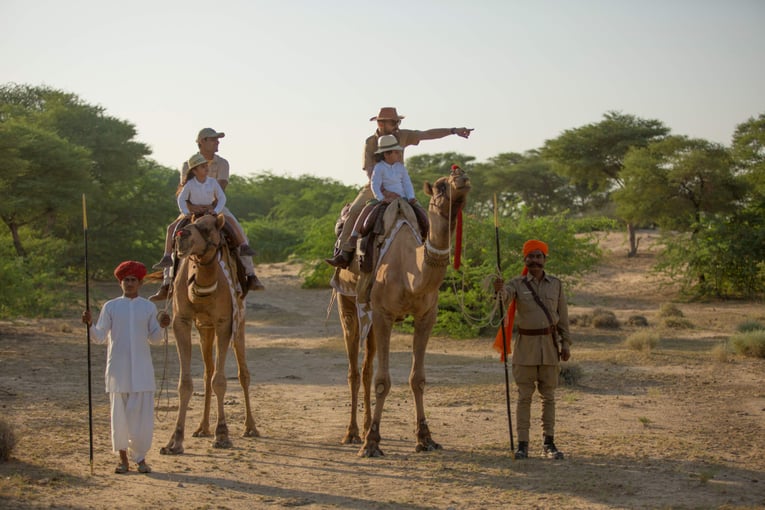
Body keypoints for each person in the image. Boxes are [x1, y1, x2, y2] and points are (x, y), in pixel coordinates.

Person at [325, 107, 473, 268]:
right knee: (355, 210)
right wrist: (382, 192)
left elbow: (426, 134)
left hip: (400, 187)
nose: (397, 125)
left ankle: (430, 250)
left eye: (398, 121)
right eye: (394, 122)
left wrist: (453, 131)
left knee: (422, 213)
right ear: (381, 124)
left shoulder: (402, 135)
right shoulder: (370, 142)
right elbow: (369, 170)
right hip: (375, 186)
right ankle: (344, 251)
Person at [150, 128, 263, 301]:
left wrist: (212, 209)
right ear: (201, 142)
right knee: (175, 233)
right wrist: (190, 208)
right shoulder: (188, 164)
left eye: (217, 140)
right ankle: (166, 283)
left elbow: (221, 188)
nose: (217, 142)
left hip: (216, 207)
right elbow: (183, 190)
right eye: (213, 139)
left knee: (237, 230)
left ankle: (250, 274)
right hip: (192, 207)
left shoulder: (222, 163)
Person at [81, 260, 171, 474]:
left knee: (141, 421)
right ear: (120, 283)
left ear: (140, 283)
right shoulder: (111, 306)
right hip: (117, 372)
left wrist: (164, 326)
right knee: (119, 418)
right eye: (125, 280)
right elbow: (100, 337)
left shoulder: (148, 307)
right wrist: (90, 325)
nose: (129, 283)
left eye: (133, 280)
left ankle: (141, 459)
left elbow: (156, 339)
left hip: (142, 371)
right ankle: (123, 461)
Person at [493, 239, 571, 460]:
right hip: (525, 350)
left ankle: (549, 443)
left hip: (549, 347)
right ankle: (522, 445)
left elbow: (562, 317)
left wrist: (565, 343)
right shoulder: (516, 284)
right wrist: (499, 290)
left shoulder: (556, 284)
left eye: (538, 256)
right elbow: (504, 298)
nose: (534, 261)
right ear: (525, 259)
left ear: (545, 259)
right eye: (530, 257)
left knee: (549, 397)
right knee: (524, 397)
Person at [330, 134, 421, 262]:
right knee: (367, 210)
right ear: (386, 154)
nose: (399, 154)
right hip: (384, 198)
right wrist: (381, 197)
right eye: (395, 152)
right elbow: (375, 184)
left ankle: (425, 238)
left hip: (402, 198)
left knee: (420, 212)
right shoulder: (379, 167)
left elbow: (407, 183)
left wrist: (411, 197)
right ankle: (353, 237)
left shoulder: (401, 167)